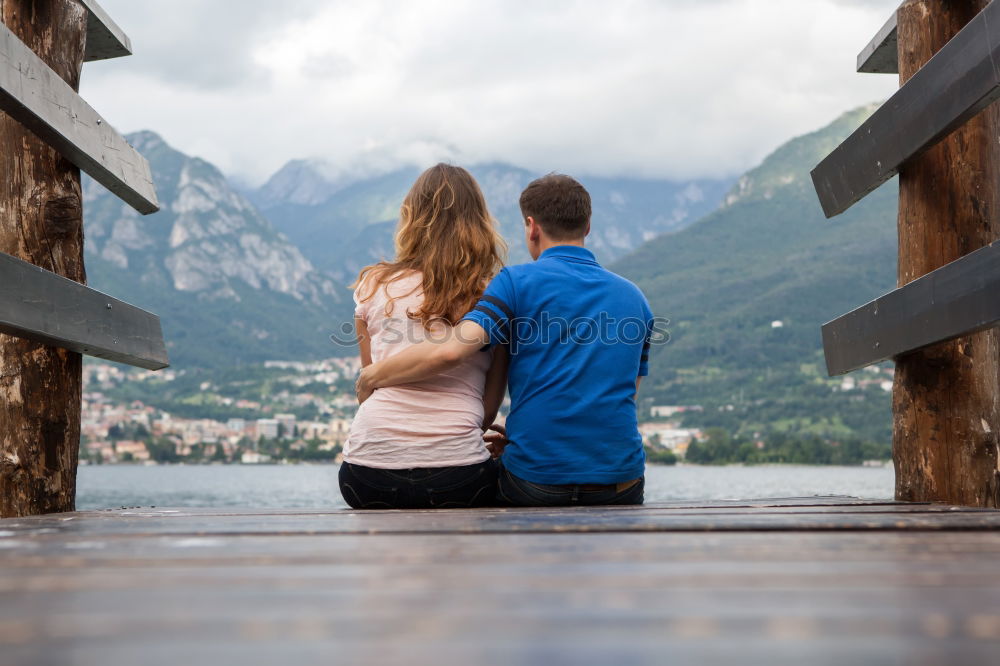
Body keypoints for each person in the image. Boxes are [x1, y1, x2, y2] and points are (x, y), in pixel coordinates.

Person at [356, 174, 654, 506]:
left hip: (536, 481)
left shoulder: (513, 283)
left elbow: (452, 350)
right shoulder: (635, 298)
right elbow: (624, 390)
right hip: (623, 481)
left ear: (532, 227)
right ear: (587, 226)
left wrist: (373, 376)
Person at [339, 164, 509, 510]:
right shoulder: (494, 296)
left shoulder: (373, 286)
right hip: (459, 475)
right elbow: (488, 410)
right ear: (479, 222)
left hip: (365, 474)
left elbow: (370, 384)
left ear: (410, 217)